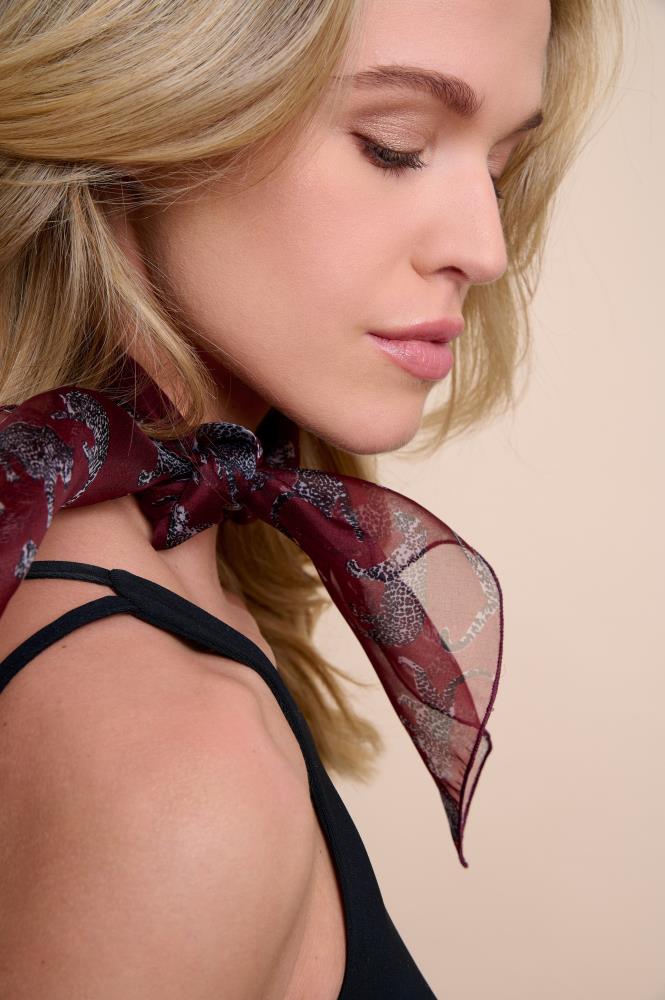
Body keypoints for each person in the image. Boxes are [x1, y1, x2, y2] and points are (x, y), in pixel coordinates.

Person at [0, 1, 623, 997]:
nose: (485, 246)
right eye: (395, 146)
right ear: (148, 109)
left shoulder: (108, 595)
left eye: (499, 168)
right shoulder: (175, 763)